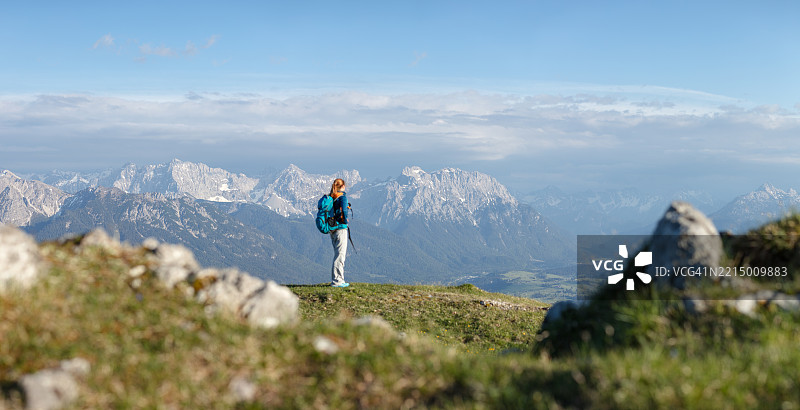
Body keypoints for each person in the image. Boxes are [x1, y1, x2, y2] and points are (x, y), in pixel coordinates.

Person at [328, 178, 350, 287]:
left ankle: (337, 279)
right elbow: (344, 211)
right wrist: (345, 221)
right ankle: (337, 281)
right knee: (340, 255)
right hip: (341, 228)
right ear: (342, 186)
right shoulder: (342, 197)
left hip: (332, 229)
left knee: (337, 253)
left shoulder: (332, 196)